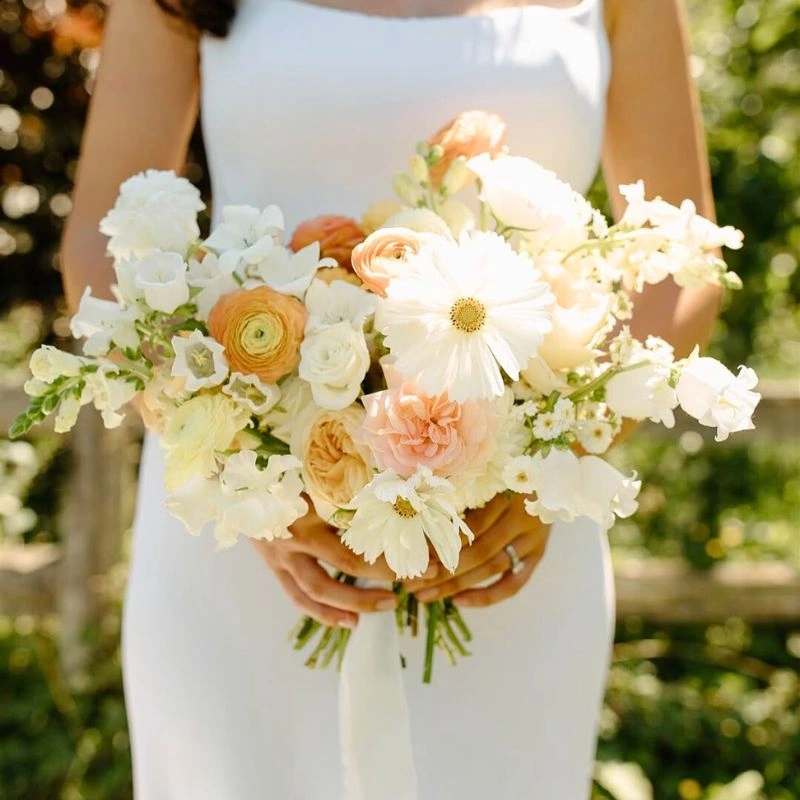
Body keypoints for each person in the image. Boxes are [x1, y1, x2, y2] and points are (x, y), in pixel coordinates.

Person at [61, 0, 722, 796]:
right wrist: (252, 479)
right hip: (243, 538)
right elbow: (101, 243)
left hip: (508, 540)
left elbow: (684, 262)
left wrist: (567, 449)